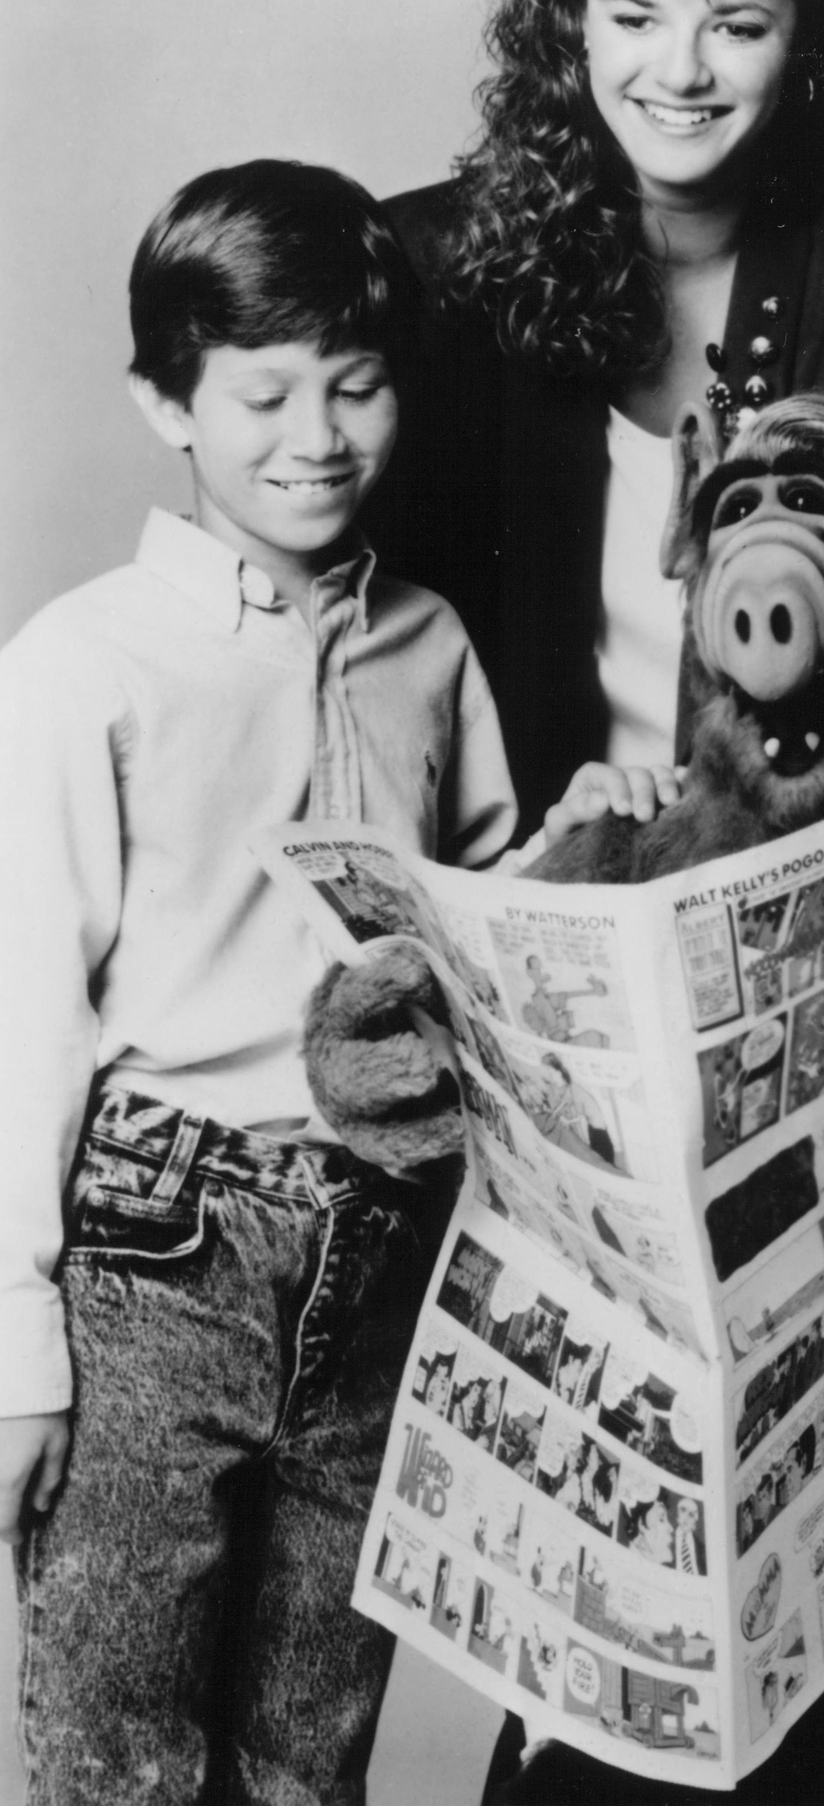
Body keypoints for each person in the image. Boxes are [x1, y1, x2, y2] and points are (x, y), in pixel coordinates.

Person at [0, 161, 517, 1801]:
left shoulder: (431, 641)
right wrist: (15, 1348)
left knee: (311, 1753)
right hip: (157, 1248)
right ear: (168, 398)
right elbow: (23, 1017)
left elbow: (490, 930)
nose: (317, 434)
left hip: (375, 1246)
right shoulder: (85, 663)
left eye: (356, 388)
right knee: (119, 1751)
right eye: (265, 392)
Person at [366, 0, 824, 830]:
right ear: (568, 22)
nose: (679, 71)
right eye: (634, 18)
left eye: (737, 25)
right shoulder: (436, 268)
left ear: (808, 38)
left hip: (805, 860)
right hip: (527, 865)